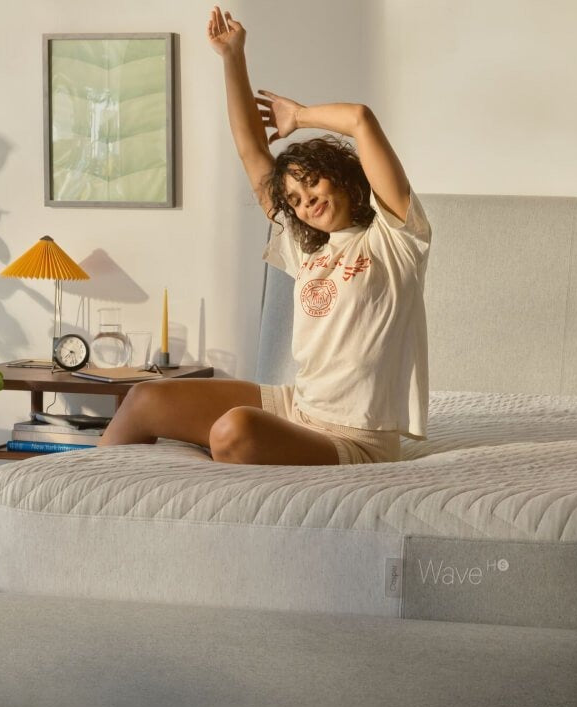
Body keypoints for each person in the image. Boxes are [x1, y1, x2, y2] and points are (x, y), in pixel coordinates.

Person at [98, 6, 430, 466]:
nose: (305, 201)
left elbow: (360, 119)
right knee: (143, 398)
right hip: (298, 408)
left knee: (235, 428)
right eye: (293, 198)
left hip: (356, 438)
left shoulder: (395, 239)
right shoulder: (305, 248)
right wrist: (232, 56)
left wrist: (300, 115)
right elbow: (253, 153)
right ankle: (84, 502)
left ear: (343, 179)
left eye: (312, 182)